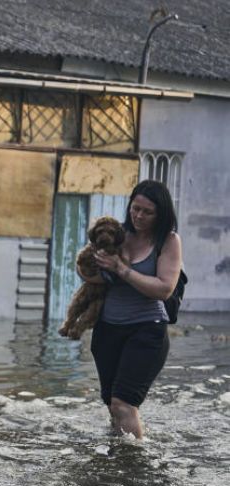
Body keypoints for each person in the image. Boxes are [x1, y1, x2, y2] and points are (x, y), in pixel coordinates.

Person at [88, 180, 182, 439]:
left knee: (124, 404)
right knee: (112, 405)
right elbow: (88, 274)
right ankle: (113, 462)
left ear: (161, 213)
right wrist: (92, 265)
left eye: (147, 212)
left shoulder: (168, 241)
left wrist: (121, 268)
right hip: (107, 329)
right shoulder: (117, 233)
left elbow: (164, 288)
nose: (138, 216)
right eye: (135, 208)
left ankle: (136, 466)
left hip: (146, 329)